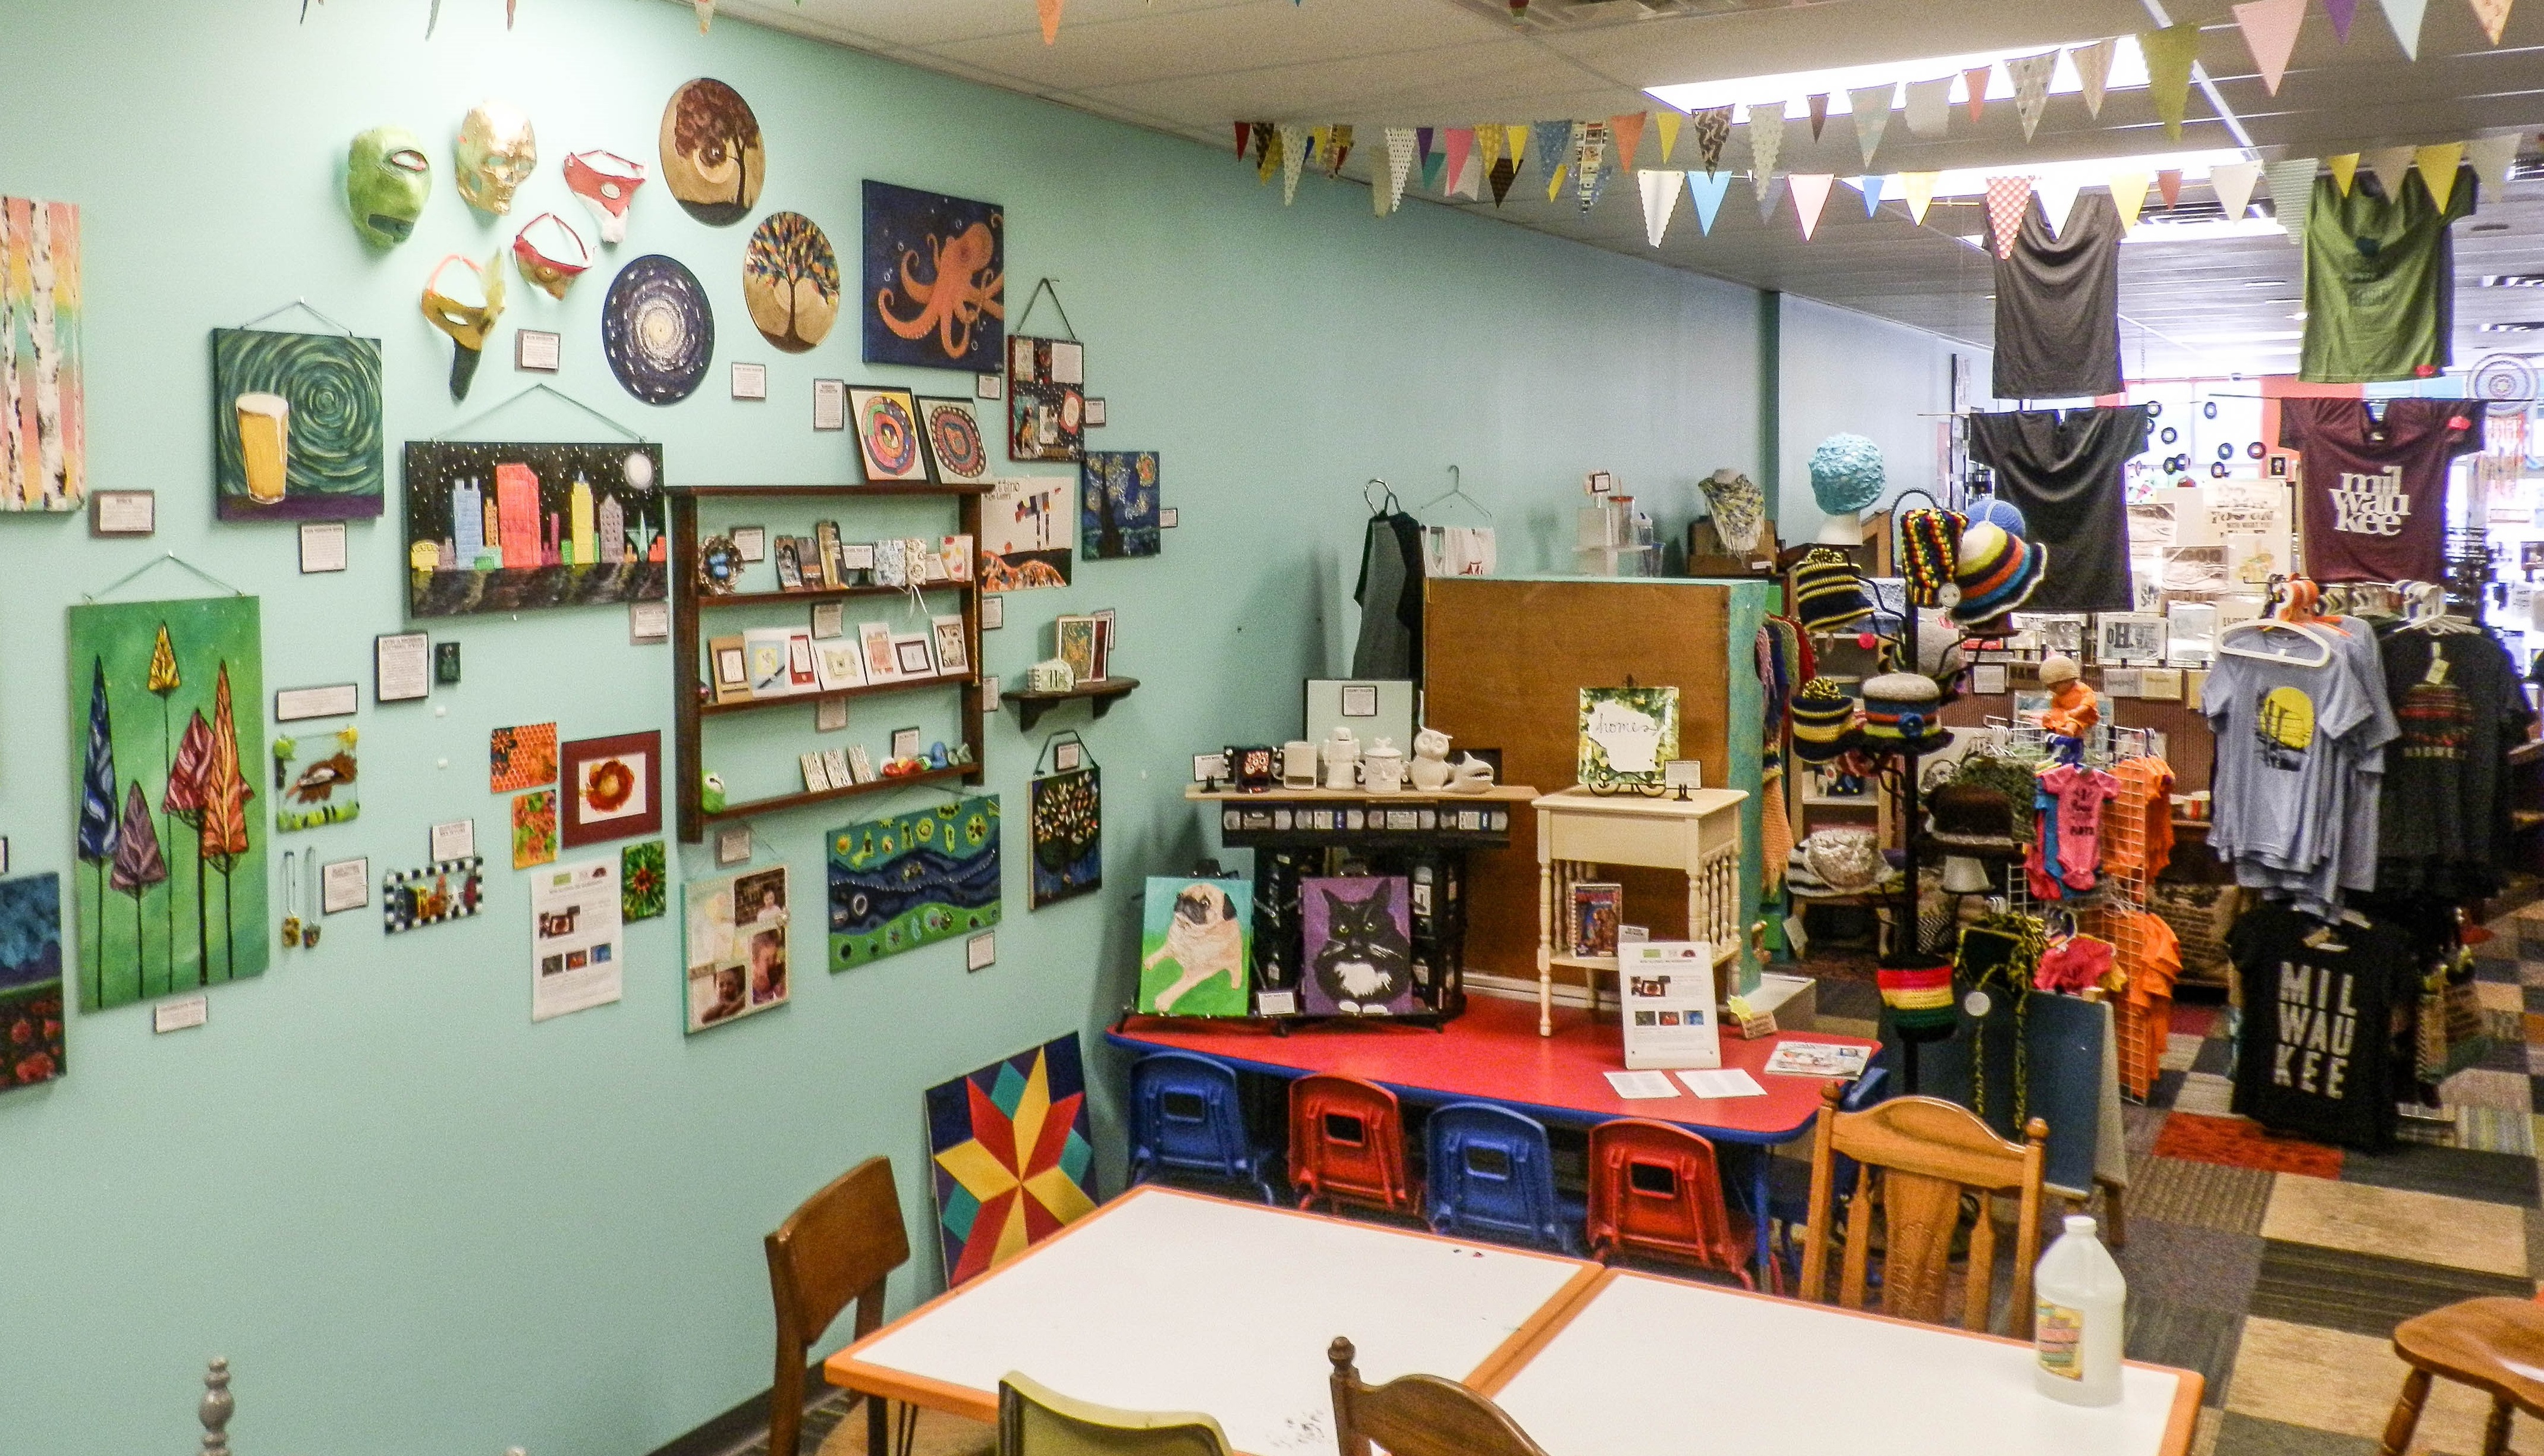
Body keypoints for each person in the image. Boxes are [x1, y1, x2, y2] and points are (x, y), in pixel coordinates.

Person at [750, 927, 788, 1005]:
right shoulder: (751, 992)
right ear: (755, 961)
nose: (774, 962)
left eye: (775, 956)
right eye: (767, 960)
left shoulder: (779, 978)